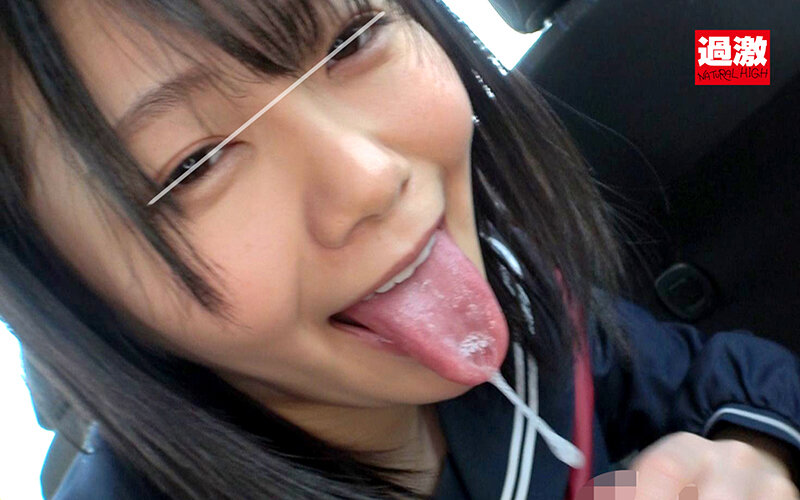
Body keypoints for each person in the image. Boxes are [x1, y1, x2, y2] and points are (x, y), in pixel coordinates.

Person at [1, 0, 798, 498]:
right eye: (194, 165)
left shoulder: (519, 292)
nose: (373, 180)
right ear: (63, 286)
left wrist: (752, 450)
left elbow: (697, 375)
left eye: (352, 39)